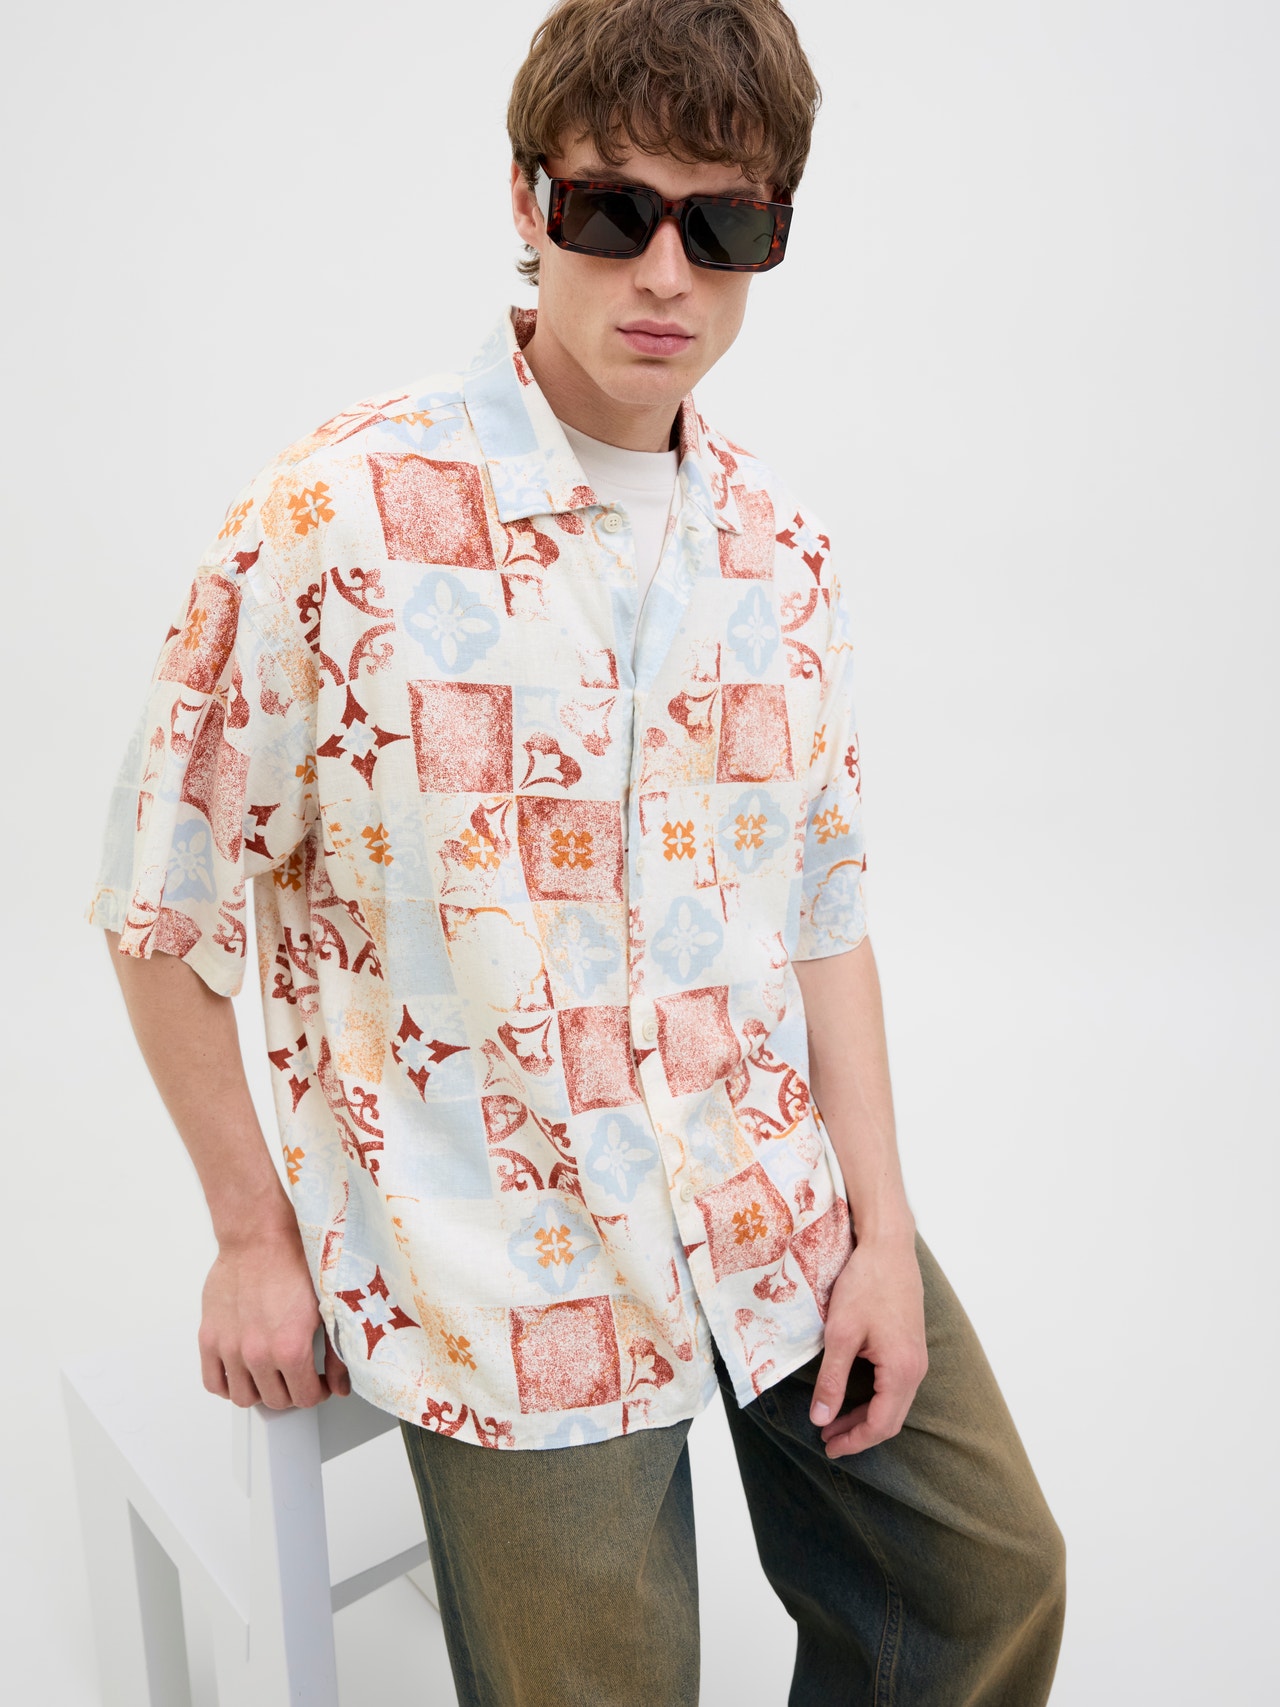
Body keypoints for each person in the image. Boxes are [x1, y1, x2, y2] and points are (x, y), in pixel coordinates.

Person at [88, 1, 1066, 1701]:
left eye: (725, 223)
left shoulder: (784, 556)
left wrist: (882, 1234)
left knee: (990, 1585)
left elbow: (823, 916)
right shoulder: (336, 521)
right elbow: (156, 907)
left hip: (765, 1200)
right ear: (527, 201)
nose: (666, 274)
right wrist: (251, 1237)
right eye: (615, 210)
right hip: (501, 1262)